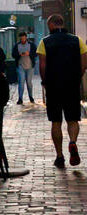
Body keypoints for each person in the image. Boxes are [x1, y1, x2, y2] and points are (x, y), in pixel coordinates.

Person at [38, 14, 87, 168]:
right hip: (72, 85)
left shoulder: (44, 42)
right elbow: (84, 61)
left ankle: (60, 156)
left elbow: (42, 66)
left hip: (53, 86)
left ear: (51, 25)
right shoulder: (76, 40)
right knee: (73, 119)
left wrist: (45, 82)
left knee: (56, 121)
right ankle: (72, 142)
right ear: (62, 23)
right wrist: (77, 77)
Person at [13, 31, 36, 104]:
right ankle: (20, 98)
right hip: (20, 66)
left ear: (26, 37)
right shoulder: (17, 45)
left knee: (29, 82)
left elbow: (36, 53)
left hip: (30, 66)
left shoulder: (31, 45)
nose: (22, 39)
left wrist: (29, 54)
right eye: (21, 38)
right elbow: (13, 54)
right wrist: (19, 54)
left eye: (23, 37)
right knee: (21, 82)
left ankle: (31, 96)